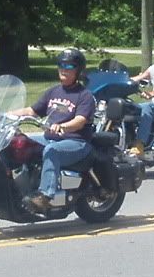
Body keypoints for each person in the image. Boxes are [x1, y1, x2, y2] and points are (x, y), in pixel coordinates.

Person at [10, 48, 96, 211]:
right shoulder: (53, 91)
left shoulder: (84, 95)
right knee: (19, 143)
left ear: (78, 70)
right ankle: (18, 187)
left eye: (69, 66)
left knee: (52, 151)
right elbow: (32, 110)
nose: (64, 69)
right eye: (61, 65)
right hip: (50, 138)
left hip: (76, 142)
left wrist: (62, 126)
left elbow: (80, 121)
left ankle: (46, 196)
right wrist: (7, 114)